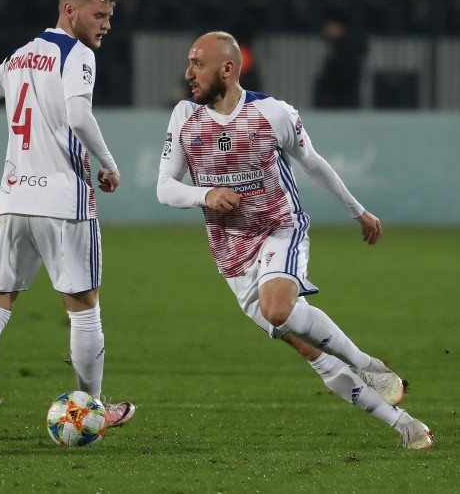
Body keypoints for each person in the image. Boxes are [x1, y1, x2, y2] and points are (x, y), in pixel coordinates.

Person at [156, 31, 433, 450]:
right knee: (310, 352)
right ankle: (404, 424)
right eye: (189, 62)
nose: (188, 73)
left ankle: (365, 363)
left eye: (197, 63)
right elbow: (164, 187)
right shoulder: (184, 116)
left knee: (279, 308)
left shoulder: (272, 113)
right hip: (231, 257)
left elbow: (314, 163)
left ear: (227, 69)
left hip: (278, 229)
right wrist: (206, 194)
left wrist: (357, 210)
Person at [0, 0, 136, 439]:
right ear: (70, 10)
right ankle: (93, 408)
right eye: (99, 14)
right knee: (84, 308)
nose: (106, 24)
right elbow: (77, 114)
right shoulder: (78, 54)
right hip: (64, 201)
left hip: (12, 200)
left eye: (110, 15)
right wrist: (108, 163)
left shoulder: (19, 56)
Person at [312, 6, 367, 108]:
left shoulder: (348, 48)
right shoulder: (336, 47)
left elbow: (344, 77)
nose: (325, 29)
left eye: (329, 25)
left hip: (342, 102)